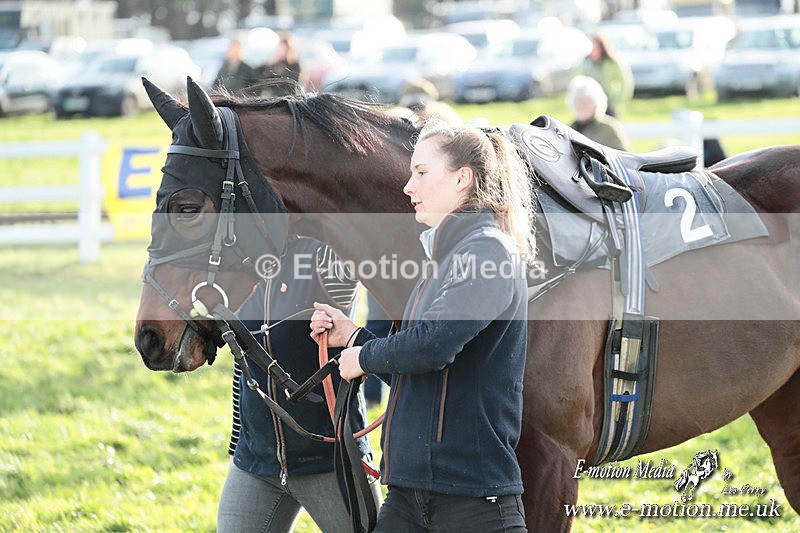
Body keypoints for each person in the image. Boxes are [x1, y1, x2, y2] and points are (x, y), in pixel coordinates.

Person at [310, 119, 534, 532]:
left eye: (421, 173)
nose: (408, 187)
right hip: (409, 496)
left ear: (462, 179)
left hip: (473, 502)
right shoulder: (444, 259)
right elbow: (423, 370)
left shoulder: (488, 251)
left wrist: (364, 357)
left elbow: (433, 346)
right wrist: (354, 338)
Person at [217, 236, 380, 533]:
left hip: (332, 463)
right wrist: (236, 445)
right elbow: (245, 365)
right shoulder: (243, 262)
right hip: (256, 463)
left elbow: (368, 244)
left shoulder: (325, 257)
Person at [566, 75, 632, 151]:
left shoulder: (610, 129)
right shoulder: (569, 130)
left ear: (596, 104)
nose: (581, 105)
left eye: (585, 101)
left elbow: (625, 158)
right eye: (577, 101)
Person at [580, 32, 634, 118]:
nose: (594, 51)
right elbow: (579, 80)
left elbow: (625, 81)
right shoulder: (586, 63)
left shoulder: (612, 62)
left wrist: (618, 100)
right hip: (591, 103)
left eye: (596, 47)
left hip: (609, 103)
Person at [260, 32, 304, 97]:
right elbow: (265, 77)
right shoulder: (276, 62)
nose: (281, 50)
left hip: (291, 96)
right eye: (280, 47)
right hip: (276, 97)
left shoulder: (294, 63)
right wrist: (270, 64)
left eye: (283, 48)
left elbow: (294, 81)